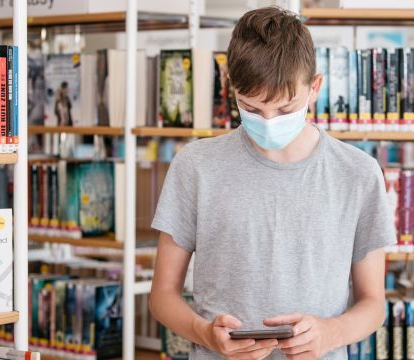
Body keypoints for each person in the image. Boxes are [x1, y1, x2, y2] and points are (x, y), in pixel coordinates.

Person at [149, 6, 396, 360]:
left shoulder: (358, 173)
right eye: (251, 108)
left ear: (315, 88)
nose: (267, 122)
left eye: (284, 110)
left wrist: (328, 333)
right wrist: (205, 333)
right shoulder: (196, 166)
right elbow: (162, 296)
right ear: (231, 86)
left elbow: (373, 303)